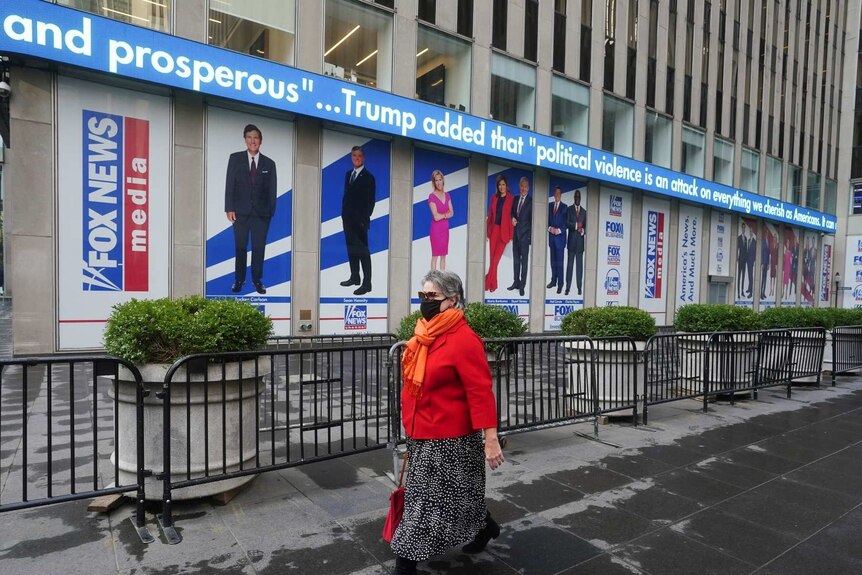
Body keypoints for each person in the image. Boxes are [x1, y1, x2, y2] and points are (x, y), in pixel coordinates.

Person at [392, 270, 504, 575]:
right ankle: (486, 526)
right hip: (421, 431)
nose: (426, 301)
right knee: (460, 493)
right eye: (423, 295)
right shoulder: (423, 334)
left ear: (452, 300)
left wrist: (491, 438)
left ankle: (405, 563)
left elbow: (480, 392)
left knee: (423, 502)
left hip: (451, 436)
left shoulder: (464, 339)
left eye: (433, 296)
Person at [224, 124, 277, 295]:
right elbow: (229, 184)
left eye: (255, 137)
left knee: (258, 248)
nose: (252, 140)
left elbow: (272, 190)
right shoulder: (235, 158)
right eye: (249, 137)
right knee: (240, 247)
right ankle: (239, 280)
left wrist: (270, 213)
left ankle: (257, 280)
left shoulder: (269, 163)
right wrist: (229, 207)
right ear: (245, 140)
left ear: (260, 141)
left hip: (261, 215)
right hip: (240, 212)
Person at [340, 145, 376, 295]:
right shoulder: (349, 174)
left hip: (360, 221)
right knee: (351, 250)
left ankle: (367, 283)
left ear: (363, 158)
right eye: (354, 156)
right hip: (347, 219)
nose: (357, 158)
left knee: (362, 252)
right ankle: (355, 277)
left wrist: (364, 219)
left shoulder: (368, 177)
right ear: (351, 157)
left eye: (359, 156)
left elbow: (370, 201)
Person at [485, 175, 514, 292]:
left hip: (504, 232)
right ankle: (493, 285)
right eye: (500, 185)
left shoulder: (511, 199)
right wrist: (487, 232)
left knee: (495, 260)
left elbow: (512, 218)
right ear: (497, 186)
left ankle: (488, 282)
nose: (501, 187)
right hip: (494, 231)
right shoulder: (494, 198)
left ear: (507, 186)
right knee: (492, 259)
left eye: (503, 185)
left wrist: (511, 236)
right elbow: (490, 215)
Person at [509, 177, 532, 297]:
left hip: (525, 237)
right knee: (516, 261)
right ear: (520, 187)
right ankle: (516, 282)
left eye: (525, 186)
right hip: (516, 236)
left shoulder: (531, 201)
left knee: (524, 262)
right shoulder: (516, 198)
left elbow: (532, 221)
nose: (523, 188)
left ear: (528, 188)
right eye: (522, 186)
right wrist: (512, 218)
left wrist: (530, 239)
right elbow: (512, 212)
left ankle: (522, 286)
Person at [428, 170, 453, 271]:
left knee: (443, 256)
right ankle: (433, 279)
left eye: (440, 179)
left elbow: (452, 213)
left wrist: (443, 215)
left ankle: (442, 280)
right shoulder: (432, 196)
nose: (438, 182)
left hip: (445, 228)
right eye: (436, 180)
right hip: (436, 230)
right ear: (434, 182)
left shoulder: (447, 195)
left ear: (443, 180)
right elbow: (435, 216)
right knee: (435, 256)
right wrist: (446, 214)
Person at [565, 190, 586, 296]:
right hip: (571, 242)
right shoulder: (569, 209)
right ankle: (567, 287)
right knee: (570, 265)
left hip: (580, 244)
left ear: (580, 198)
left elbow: (586, 228)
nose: (577, 198)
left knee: (579, 267)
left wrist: (582, 231)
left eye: (578, 197)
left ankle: (579, 287)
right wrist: (576, 226)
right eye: (575, 197)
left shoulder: (584, 212)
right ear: (574, 198)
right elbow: (567, 223)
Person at [546, 186, 567, 294]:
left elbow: (566, 224)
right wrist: (550, 229)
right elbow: (546, 221)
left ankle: (560, 284)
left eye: (559, 193)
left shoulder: (564, 207)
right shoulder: (549, 206)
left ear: (561, 195)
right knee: (553, 262)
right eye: (556, 193)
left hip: (560, 240)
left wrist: (557, 230)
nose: (557, 195)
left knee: (559, 263)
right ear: (554, 195)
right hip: (552, 239)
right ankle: (553, 281)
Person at [736, 223, 749, 299]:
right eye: (743, 228)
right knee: (739, 276)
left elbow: (746, 250)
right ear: (742, 229)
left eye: (745, 228)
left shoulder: (746, 238)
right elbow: (737, 248)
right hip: (740, 259)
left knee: (743, 276)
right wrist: (737, 257)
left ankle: (742, 291)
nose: (744, 229)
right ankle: (738, 293)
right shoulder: (739, 238)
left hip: (744, 260)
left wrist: (746, 259)